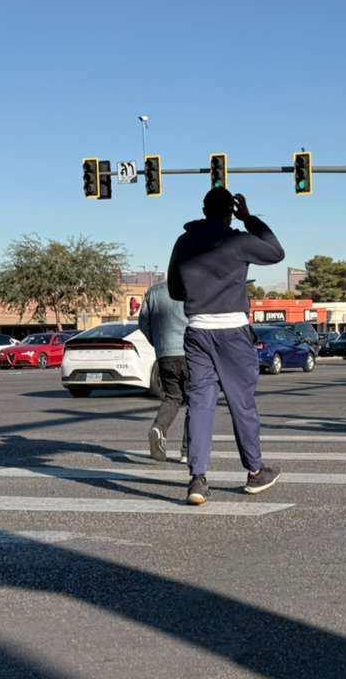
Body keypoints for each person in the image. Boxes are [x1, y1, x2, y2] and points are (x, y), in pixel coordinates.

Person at [168, 188, 285, 505]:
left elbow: (176, 290)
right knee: (241, 404)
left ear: (203, 209)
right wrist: (250, 219)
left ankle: (198, 480)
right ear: (231, 211)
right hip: (233, 332)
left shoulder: (184, 242)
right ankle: (254, 471)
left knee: (200, 405)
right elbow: (276, 252)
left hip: (197, 332)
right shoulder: (238, 240)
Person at [139, 281, 190, 464]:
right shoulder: (192, 285)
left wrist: (158, 344)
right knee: (195, 401)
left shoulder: (154, 291)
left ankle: (159, 428)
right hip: (191, 351)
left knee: (172, 397)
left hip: (164, 354)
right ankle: (188, 451)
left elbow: (143, 322)